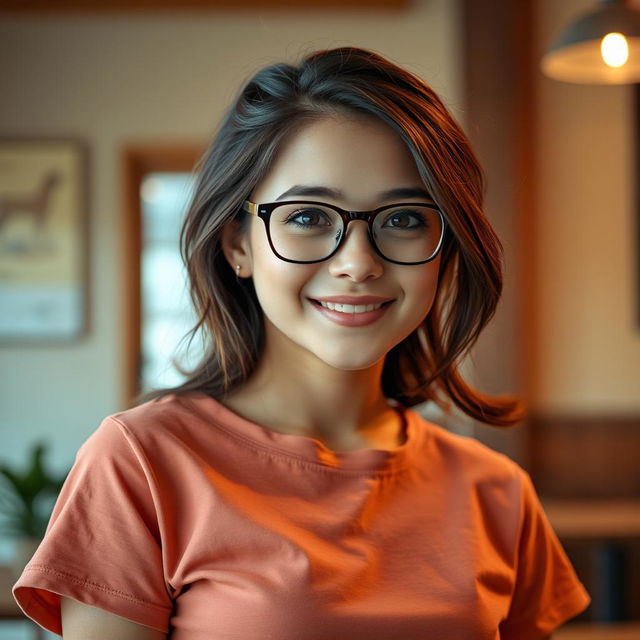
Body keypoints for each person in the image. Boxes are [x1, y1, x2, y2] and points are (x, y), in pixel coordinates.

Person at [13, 46, 590, 639]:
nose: (358, 264)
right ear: (238, 243)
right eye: (310, 216)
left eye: (404, 218)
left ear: (445, 251)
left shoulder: (494, 489)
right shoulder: (140, 463)